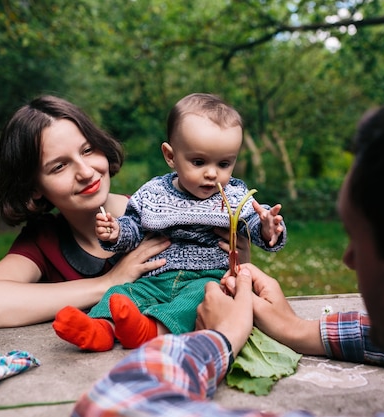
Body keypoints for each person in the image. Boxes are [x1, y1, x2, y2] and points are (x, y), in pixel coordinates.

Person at [72, 69, 384, 417]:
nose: (347, 259)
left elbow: (118, 403)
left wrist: (223, 335)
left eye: (357, 241)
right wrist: (296, 330)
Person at [0, 95, 246, 330]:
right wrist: (107, 283)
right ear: (34, 187)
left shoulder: (162, 212)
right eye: (59, 166)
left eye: (87, 150)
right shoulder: (44, 240)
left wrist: (240, 259)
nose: (86, 172)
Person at [52, 93, 286, 352]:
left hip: (208, 276)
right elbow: (134, 227)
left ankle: (149, 331)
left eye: (224, 163)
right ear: (171, 156)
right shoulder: (153, 193)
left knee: (196, 301)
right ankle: (100, 328)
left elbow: (251, 220)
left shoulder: (233, 194)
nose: (211, 173)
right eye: (198, 162)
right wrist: (116, 232)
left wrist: (266, 228)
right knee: (122, 294)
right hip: (156, 275)